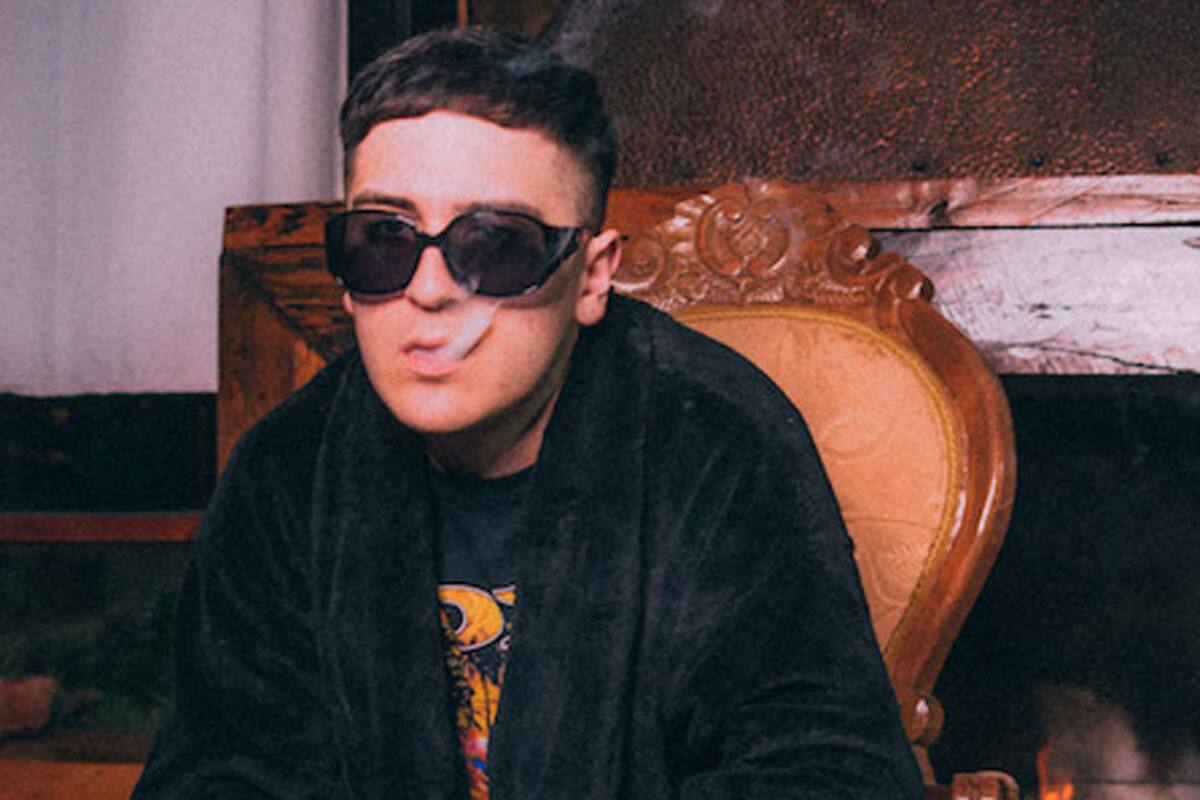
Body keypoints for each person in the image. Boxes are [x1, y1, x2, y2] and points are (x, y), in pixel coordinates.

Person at [134, 26, 923, 800]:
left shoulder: (718, 444)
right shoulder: (288, 467)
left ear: (593, 276)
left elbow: (828, 773)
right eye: (384, 239)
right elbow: (217, 768)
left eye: (495, 245)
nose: (429, 290)